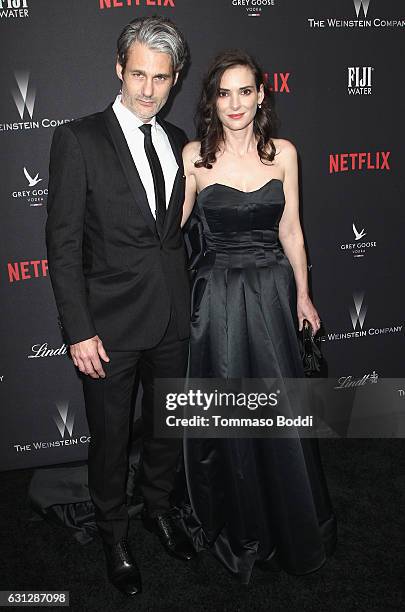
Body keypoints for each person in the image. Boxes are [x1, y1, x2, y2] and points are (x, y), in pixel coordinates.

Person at [45, 16, 195, 598]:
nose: (149, 89)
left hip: (173, 319)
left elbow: (176, 234)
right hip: (107, 326)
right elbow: (61, 246)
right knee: (110, 439)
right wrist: (78, 331)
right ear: (118, 70)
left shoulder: (180, 140)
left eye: (161, 77)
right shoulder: (78, 139)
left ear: (174, 77)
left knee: (165, 430)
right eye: (139, 75)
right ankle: (114, 533)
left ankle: (157, 509)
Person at [179, 50, 337, 584]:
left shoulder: (285, 154)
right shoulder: (194, 157)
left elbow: (291, 229)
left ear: (262, 95)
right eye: (224, 93)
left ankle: (291, 517)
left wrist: (304, 295)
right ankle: (239, 522)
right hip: (217, 296)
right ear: (212, 101)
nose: (235, 103)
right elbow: (168, 229)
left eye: (245, 91)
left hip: (272, 291)